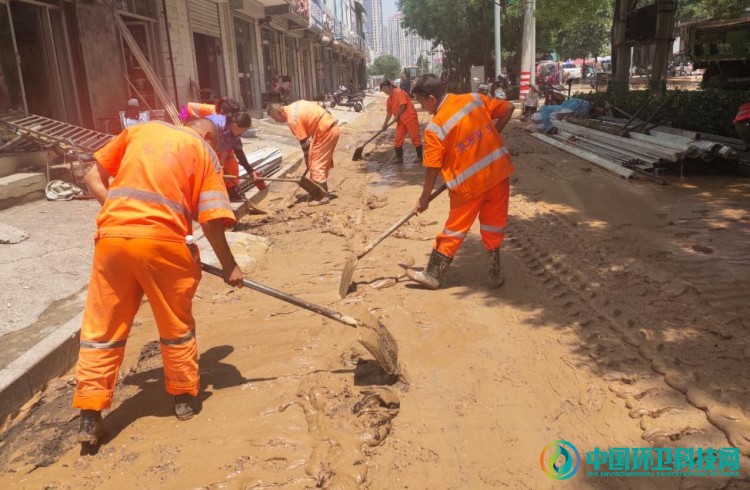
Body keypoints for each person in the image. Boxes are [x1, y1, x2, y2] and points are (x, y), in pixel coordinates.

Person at [73, 118, 245, 445]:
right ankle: (181, 399)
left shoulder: (140, 130)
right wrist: (229, 266)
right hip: (163, 245)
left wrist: (118, 212)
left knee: (102, 330)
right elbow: (210, 223)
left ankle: (89, 415)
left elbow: (91, 174)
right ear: (208, 134)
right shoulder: (203, 150)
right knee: (175, 324)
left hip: (112, 239)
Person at [406, 74, 515, 290]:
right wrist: (494, 133)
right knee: (493, 224)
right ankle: (494, 274)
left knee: (455, 229)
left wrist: (424, 197)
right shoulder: (474, 99)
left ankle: (432, 274)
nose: (423, 108)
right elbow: (509, 108)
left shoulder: (435, 127)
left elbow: (433, 168)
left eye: (421, 102)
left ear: (431, 98)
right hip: (498, 174)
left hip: (469, 187)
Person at [266, 101, 339, 204]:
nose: (276, 121)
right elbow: (320, 104)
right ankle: (316, 191)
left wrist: (307, 160)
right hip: (329, 128)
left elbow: (304, 142)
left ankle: (322, 196)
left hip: (325, 131)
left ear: (279, 112)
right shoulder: (295, 105)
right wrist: (328, 118)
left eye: (274, 118)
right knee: (318, 161)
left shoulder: (292, 119)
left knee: (315, 164)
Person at [204, 111, 265, 201]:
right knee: (212, 171)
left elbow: (239, 152)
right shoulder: (216, 126)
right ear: (236, 126)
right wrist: (214, 161)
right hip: (204, 147)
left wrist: (250, 171)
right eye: (243, 130)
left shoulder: (234, 132)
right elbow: (203, 144)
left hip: (220, 148)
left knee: (232, 164)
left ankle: (231, 190)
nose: (242, 133)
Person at [380, 79, 423, 164]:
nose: (385, 92)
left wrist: (396, 116)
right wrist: (385, 124)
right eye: (383, 90)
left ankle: (420, 156)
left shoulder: (399, 92)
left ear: (390, 86)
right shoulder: (389, 100)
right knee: (398, 139)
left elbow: (403, 105)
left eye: (385, 89)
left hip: (410, 117)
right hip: (401, 121)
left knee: (415, 137)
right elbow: (389, 113)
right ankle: (399, 158)